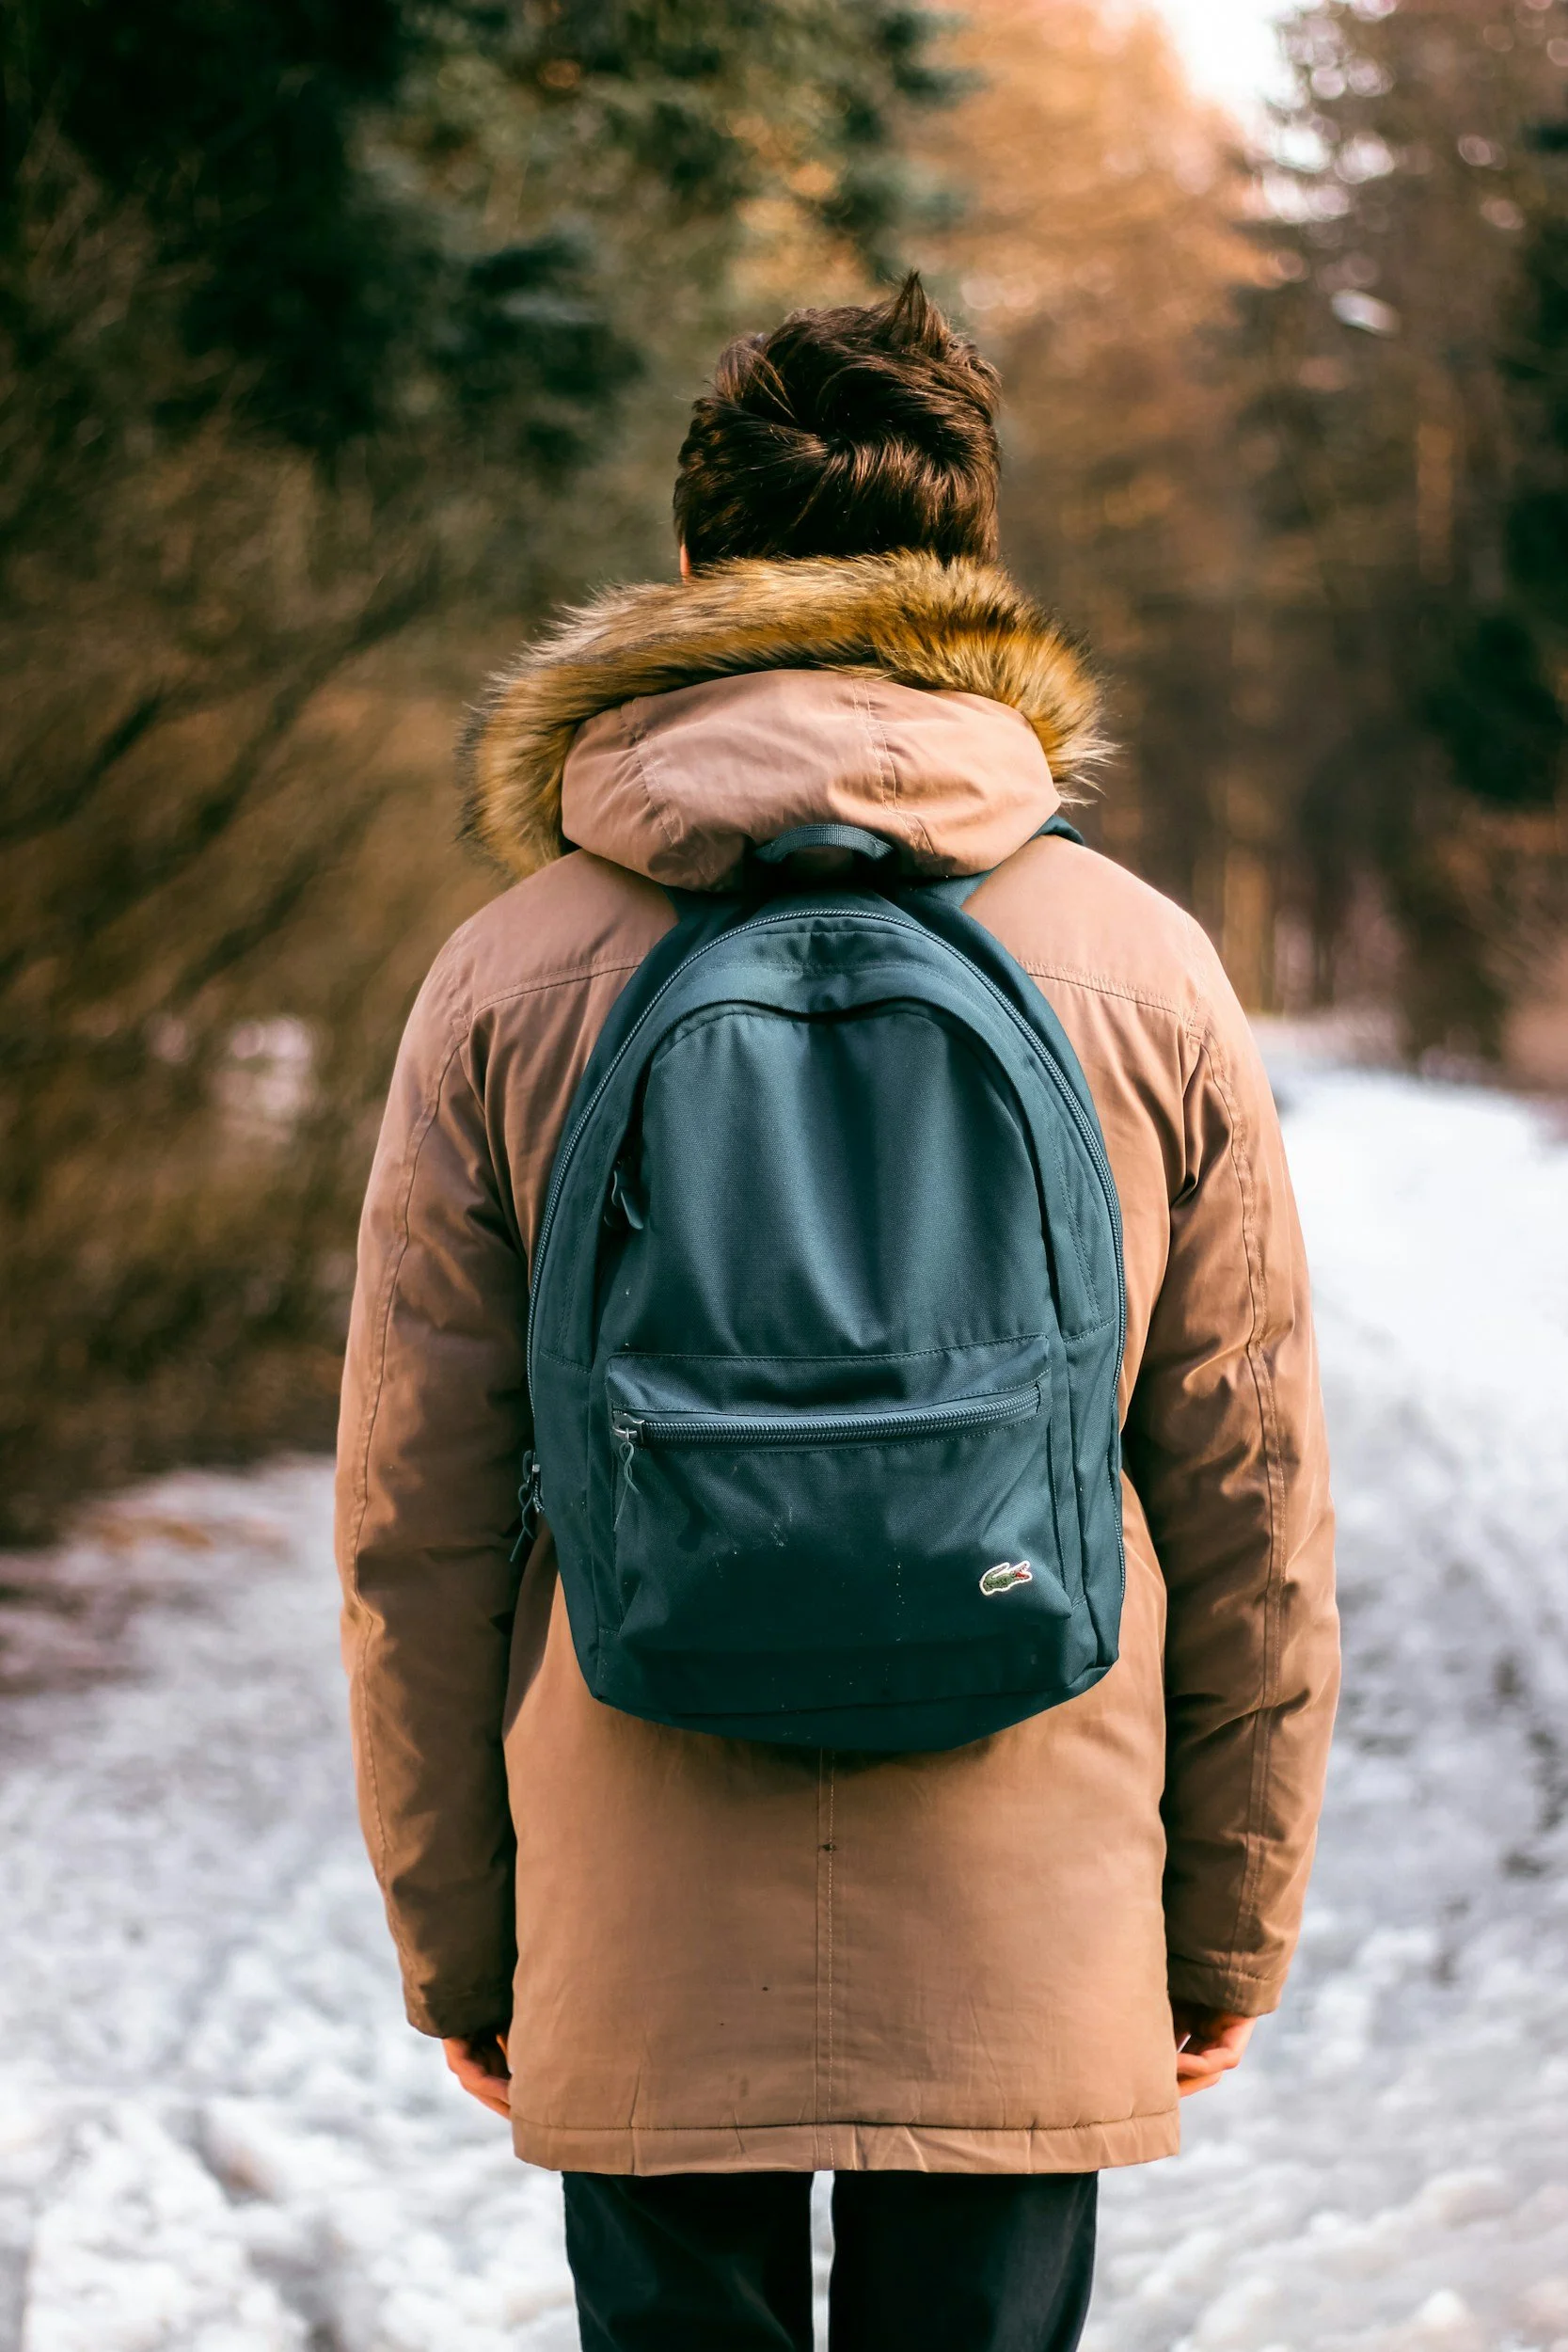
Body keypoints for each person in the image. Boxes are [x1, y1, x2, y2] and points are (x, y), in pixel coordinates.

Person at [335, 275, 1338, 2351]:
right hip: (1030, 1880)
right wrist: (1220, 1925)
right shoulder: (1135, 964)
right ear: (968, 575)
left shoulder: (511, 968)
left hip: (632, 1883)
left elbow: (413, 1512)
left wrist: (464, 1943)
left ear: (689, 571)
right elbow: (1245, 1486)